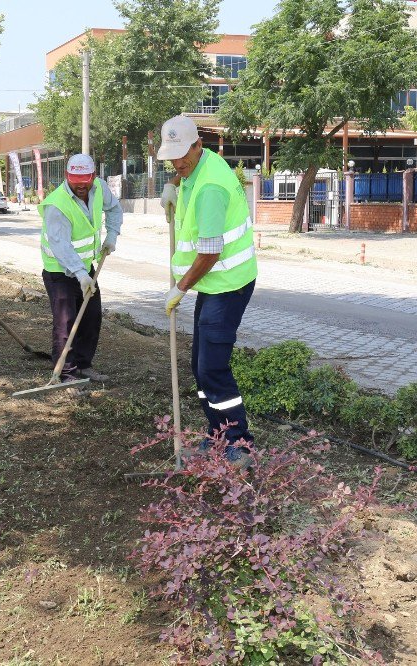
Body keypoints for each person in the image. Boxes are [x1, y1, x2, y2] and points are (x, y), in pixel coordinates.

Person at [157, 115, 258, 467]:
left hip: (227, 285)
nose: (177, 163)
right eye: (171, 157)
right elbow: (184, 172)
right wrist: (173, 185)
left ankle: (239, 443)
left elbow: (210, 253)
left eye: (181, 156)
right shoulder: (197, 165)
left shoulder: (211, 188)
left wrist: (179, 289)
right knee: (199, 367)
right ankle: (218, 435)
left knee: (212, 368)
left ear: (198, 145)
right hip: (213, 286)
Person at [38, 154, 123, 383]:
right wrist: (81, 275)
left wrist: (112, 235)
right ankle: (65, 374)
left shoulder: (99, 189)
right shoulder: (57, 205)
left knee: (91, 317)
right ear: (67, 176)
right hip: (59, 272)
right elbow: (61, 246)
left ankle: (84, 365)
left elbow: (114, 209)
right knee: (66, 322)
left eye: (85, 179)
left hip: (86, 267)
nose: (81, 184)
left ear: (93, 176)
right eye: (75, 179)